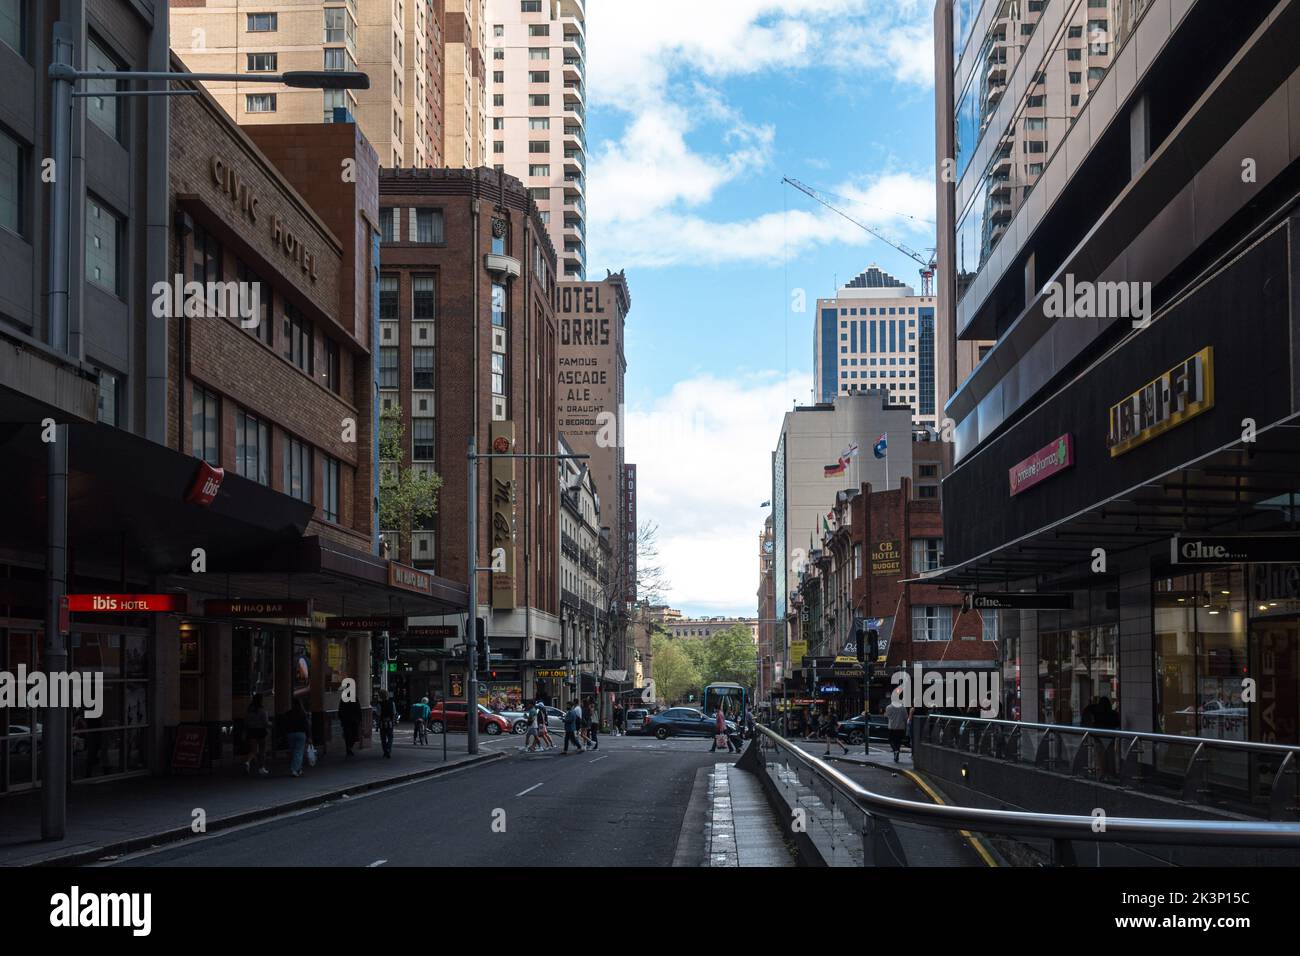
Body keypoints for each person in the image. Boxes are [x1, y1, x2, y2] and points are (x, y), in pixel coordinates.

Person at [244, 692, 271, 775]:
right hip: (261, 731)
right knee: (262, 751)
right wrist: (271, 724)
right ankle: (261, 768)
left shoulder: (249, 711)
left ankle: (248, 761)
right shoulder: (262, 710)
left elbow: (246, 722)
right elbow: (265, 723)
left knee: (253, 750)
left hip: (251, 731)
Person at [285, 697, 311, 777]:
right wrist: (309, 736)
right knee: (299, 752)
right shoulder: (303, 713)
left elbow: (285, 725)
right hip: (301, 734)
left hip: (290, 734)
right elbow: (307, 726)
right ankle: (295, 769)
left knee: (294, 752)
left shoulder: (288, 713)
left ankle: (299, 769)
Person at [884, 696, 911, 763]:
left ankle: (895, 750)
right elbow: (906, 718)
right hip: (901, 728)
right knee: (898, 742)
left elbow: (886, 716)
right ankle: (896, 757)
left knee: (891, 740)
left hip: (892, 727)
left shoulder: (889, 707)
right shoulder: (903, 708)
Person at [377, 688, 396, 758]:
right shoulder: (392, 703)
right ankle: (389, 748)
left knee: (383, 738)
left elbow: (378, 715)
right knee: (390, 737)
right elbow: (394, 713)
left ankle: (385, 751)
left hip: (382, 723)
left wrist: (378, 723)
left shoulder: (379, 704)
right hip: (390, 722)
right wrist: (393, 721)